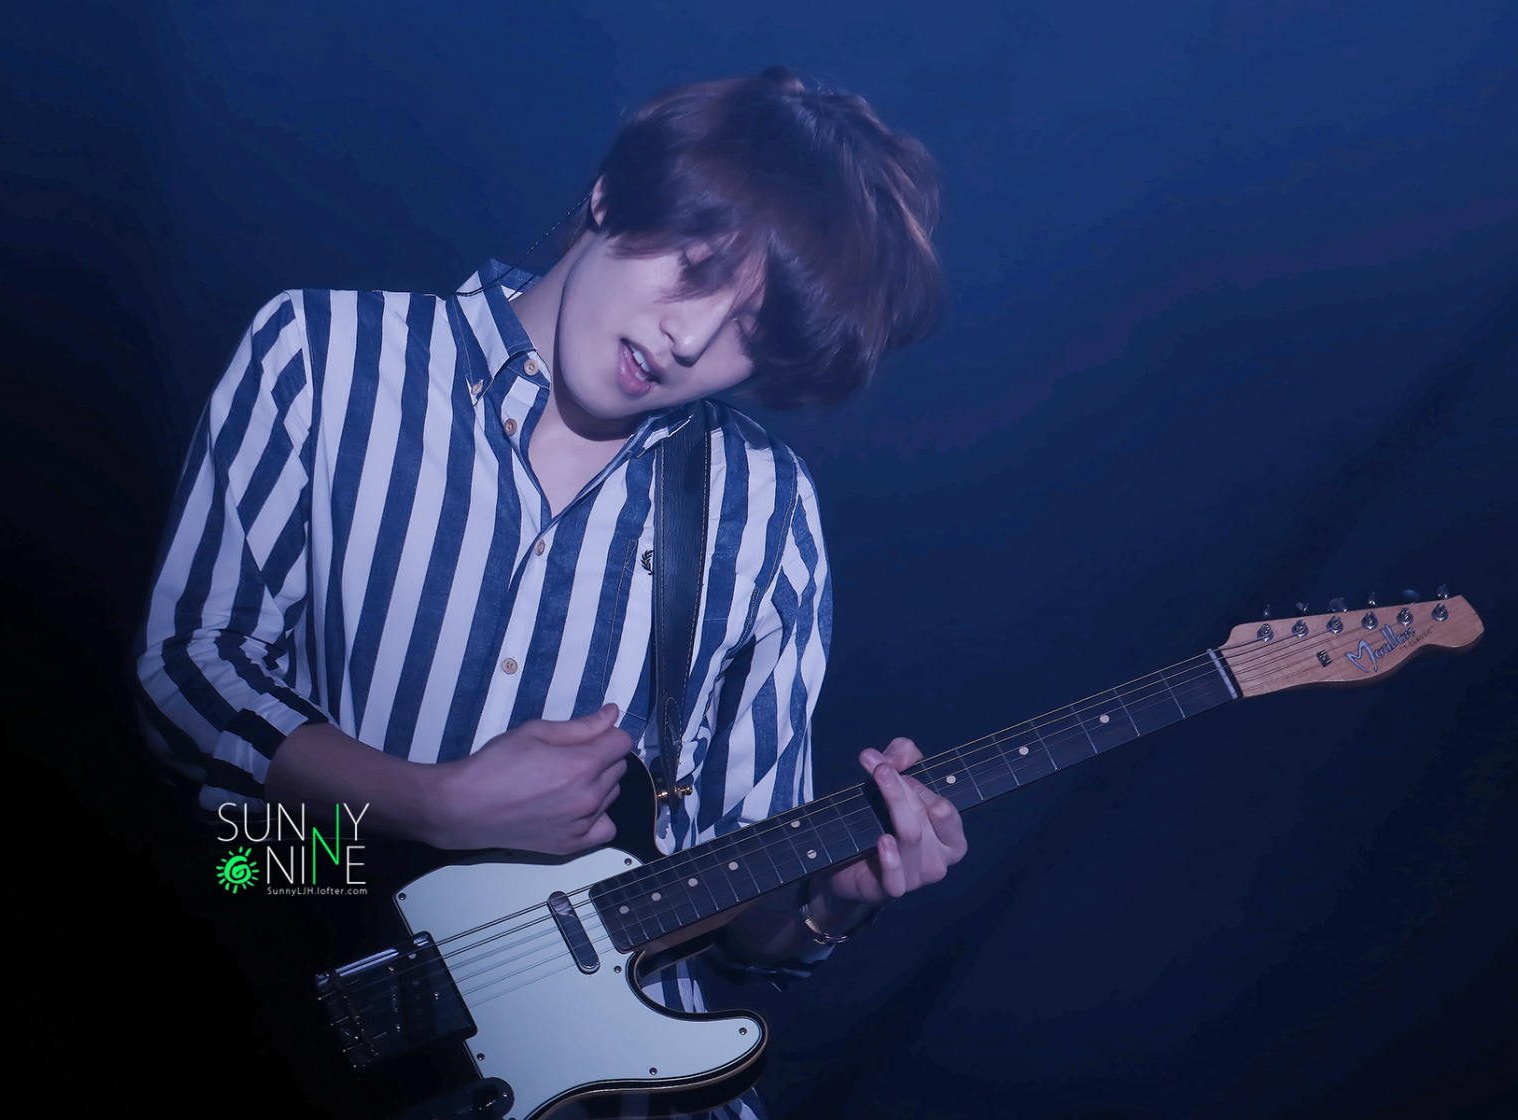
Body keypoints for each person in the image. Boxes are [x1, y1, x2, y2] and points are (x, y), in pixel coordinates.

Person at [135, 67, 965, 1119]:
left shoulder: (765, 507)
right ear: (615, 194)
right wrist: (428, 806)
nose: (692, 339)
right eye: (695, 268)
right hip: (303, 950)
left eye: (752, 332)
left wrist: (827, 905)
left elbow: (732, 914)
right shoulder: (327, 353)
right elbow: (186, 682)